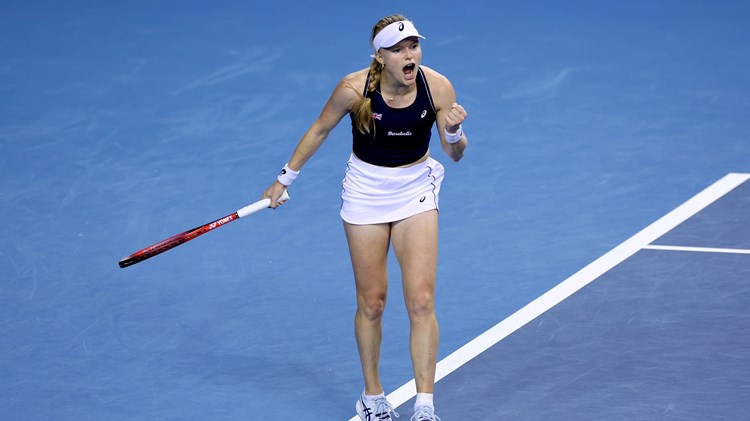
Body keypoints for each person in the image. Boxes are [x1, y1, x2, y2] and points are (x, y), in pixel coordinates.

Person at [263, 14, 467, 421]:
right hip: (366, 192)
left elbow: (456, 154)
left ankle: (425, 406)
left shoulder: (438, 87)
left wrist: (454, 133)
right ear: (380, 58)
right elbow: (320, 130)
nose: (410, 55)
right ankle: (372, 397)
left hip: (415, 189)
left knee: (422, 301)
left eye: (414, 46)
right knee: (372, 303)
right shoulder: (353, 89)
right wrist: (283, 180)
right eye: (399, 49)